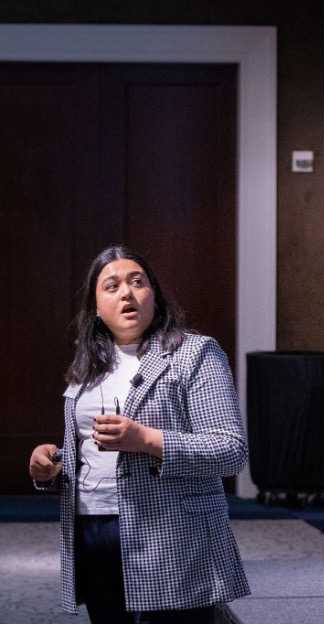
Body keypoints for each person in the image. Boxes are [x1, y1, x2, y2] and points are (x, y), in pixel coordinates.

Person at [28, 245, 250, 623]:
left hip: (170, 531)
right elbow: (90, 453)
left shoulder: (194, 353)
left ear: (154, 296)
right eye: (111, 286)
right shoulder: (89, 364)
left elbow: (230, 449)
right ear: (96, 307)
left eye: (137, 282)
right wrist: (48, 467)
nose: (126, 293)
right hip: (91, 526)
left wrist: (146, 439)